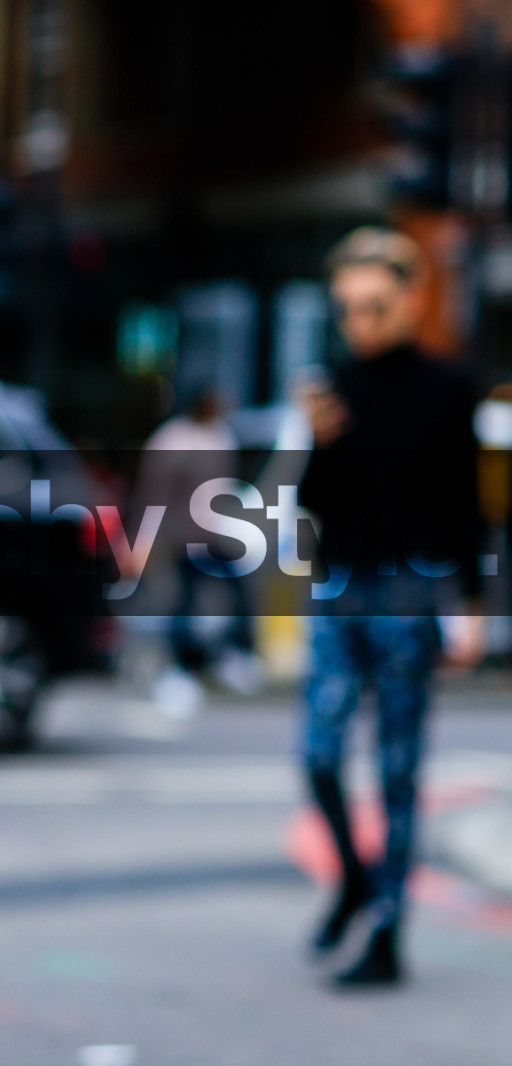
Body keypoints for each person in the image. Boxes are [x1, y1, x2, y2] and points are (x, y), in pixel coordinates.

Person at [297, 226, 485, 987]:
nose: (361, 325)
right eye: (347, 310)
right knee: (317, 754)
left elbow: (466, 505)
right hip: (340, 585)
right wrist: (320, 441)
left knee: (398, 769)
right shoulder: (333, 384)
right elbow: (314, 501)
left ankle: (387, 933)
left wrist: (470, 602)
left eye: (374, 306)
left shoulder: (449, 388)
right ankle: (351, 876)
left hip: (409, 590)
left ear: (412, 298)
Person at [138, 383, 259, 703]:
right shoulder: (173, 439)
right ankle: (182, 667)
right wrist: (146, 536)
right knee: (182, 603)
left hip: (215, 533)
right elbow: (154, 492)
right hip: (182, 536)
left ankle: (232, 655)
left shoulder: (221, 435)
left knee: (237, 593)